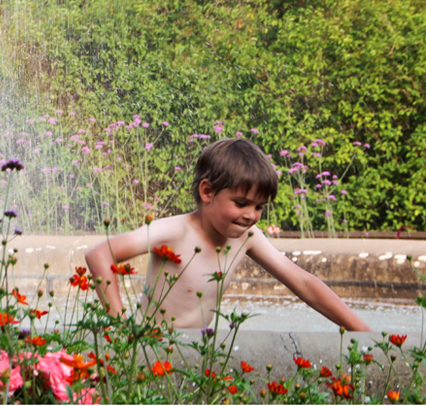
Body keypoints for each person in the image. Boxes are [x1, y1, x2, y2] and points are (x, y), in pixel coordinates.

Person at [85, 138, 372, 331]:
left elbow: (304, 284)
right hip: (151, 349)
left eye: (259, 207)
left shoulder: (247, 236)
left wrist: (363, 332)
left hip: (198, 352)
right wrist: (120, 326)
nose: (251, 215)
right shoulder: (174, 231)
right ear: (207, 191)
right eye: (241, 203)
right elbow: (99, 254)